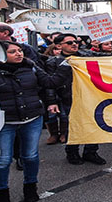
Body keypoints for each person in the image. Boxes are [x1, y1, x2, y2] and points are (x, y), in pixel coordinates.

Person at [0, 41, 68, 202]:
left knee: (30, 156)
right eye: (13, 52)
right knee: (2, 160)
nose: (19, 54)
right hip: (4, 123)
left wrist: (65, 66)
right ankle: (1, 193)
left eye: (20, 51)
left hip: (32, 118)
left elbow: (50, 83)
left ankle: (30, 187)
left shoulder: (31, 66)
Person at [46, 34, 108, 165]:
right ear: (58, 46)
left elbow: (110, 58)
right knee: (73, 126)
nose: (74, 44)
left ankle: (90, 152)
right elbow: (50, 84)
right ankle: (72, 152)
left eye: (75, 42)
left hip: (91, 96)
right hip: (68, 98)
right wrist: (52, 101)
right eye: (69, 43)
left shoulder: (86, 56)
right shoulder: (53, 62)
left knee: (94, 124)